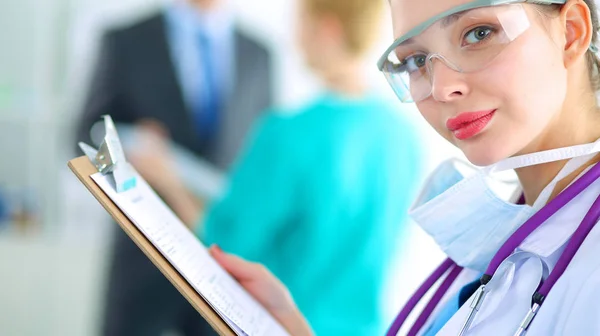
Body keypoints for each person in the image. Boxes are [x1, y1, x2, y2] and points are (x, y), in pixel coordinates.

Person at [202, 0, 600, 335]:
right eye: (416, 59)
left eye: (479, 33)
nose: (442, 87)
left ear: (571, 31)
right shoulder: (507, 241)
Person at [130, 0, 423, 334]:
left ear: (326, 29)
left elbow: (226, 245)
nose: (295, 38)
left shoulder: (289, 134)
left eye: (300, 23)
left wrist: (167, 180)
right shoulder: (404, 136)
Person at [74, 0, 272, 334]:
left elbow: (264, 159)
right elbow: (84, 136)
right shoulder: (126, 40)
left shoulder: (259, 54)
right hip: (142, 268)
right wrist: (127, 150)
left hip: (223, 272)